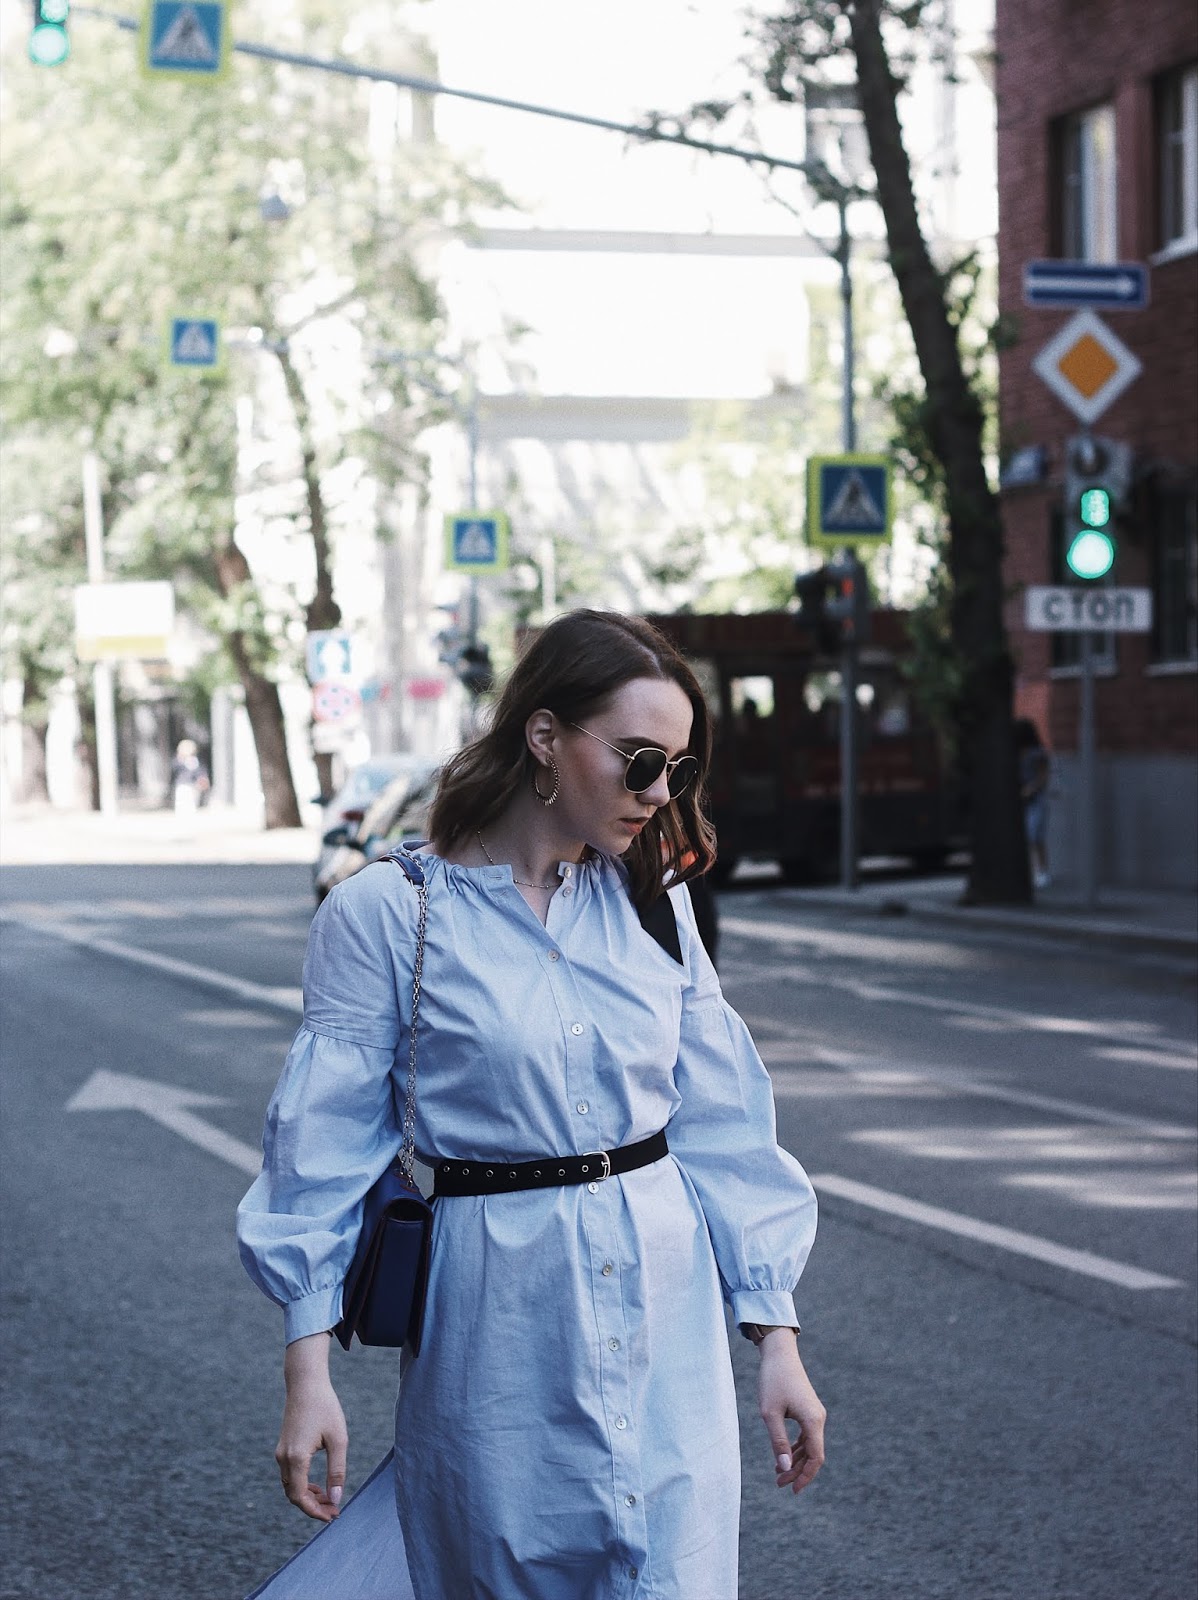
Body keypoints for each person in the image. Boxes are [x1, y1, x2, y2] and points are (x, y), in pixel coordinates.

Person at [236, 609, 825, 1600]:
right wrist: (308, 1374)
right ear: (545, 736)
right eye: (640, 761)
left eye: (679, 769)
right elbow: (319, 1154)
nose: (660, 793)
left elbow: (725, 1127)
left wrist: (777, 1340)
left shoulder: (655, 900)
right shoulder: (389, 914)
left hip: (667, 1328)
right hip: (496, 1327)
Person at [1015, 717, 1051, 889]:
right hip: (1022, 799)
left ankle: (1042, 871)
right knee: (1026, 838)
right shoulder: (1016, 753)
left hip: (1036, 798)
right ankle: (1032, 871)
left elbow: (1043, 776)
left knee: (1035, 835)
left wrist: (1031, 789)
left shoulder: (1037, 753)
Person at [170, 738, 209, 817]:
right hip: (182, 784)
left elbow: (201, 771)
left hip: (193, 785)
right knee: (181, 804)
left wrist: (202, 779)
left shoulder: (196, 760)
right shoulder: (178, 761)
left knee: (192, 803)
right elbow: (174, 770)